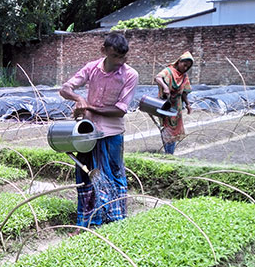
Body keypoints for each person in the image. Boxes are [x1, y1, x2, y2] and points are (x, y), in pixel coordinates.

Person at [59, 33, 139, 228]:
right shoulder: (91, 68)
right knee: (86, 176)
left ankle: (115, 221)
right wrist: (78, 99)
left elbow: (120, 110)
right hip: (88, 133)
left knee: (113, 175)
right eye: (115, 57)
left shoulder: (130, 75)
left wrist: (90, 107)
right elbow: (65, 88)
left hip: (112, 135)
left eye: (123, 57)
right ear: (103, 51)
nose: (120, 61)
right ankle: (88, 221)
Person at [154, 51, 194, 154]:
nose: (185, 68)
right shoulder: (169, 71)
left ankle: (169, 153)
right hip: (166, 105)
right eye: (184, 65)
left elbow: (184, 92)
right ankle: (169, 153)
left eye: (188, 67)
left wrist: (188, 105)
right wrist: (165, 87)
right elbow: (158, 77)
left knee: (175, 131)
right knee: (168, 130)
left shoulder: (184, 76)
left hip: (177, 107)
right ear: (179, 62)